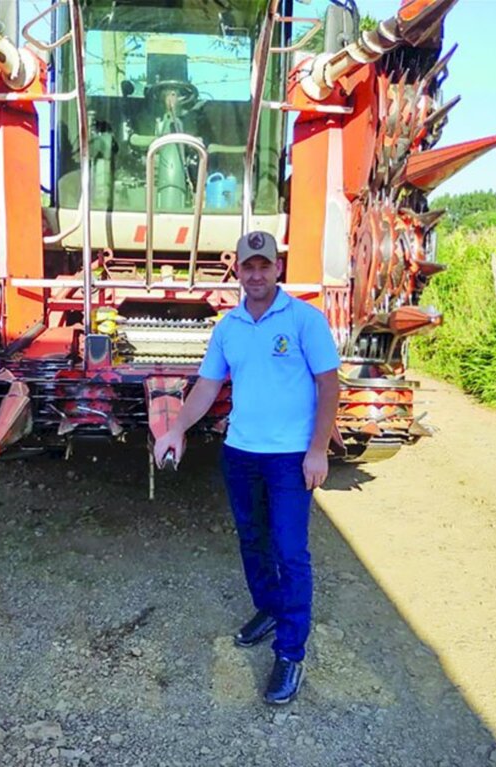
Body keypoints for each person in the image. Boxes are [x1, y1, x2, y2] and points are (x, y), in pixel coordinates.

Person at [154, 230, 340, 705]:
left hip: (289, 458)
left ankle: (290, 652)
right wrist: (176, 429)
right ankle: (270, 608)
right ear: (236, 270)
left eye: (265, 265)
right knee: (252, 539)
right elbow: (206, 387)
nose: (256, 274)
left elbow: (329, 386)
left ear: (278, 268)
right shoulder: (229, 327)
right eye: (248, 266)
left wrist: (317, 449)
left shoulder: (304, 320)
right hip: (240, 453)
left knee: (290, 551)